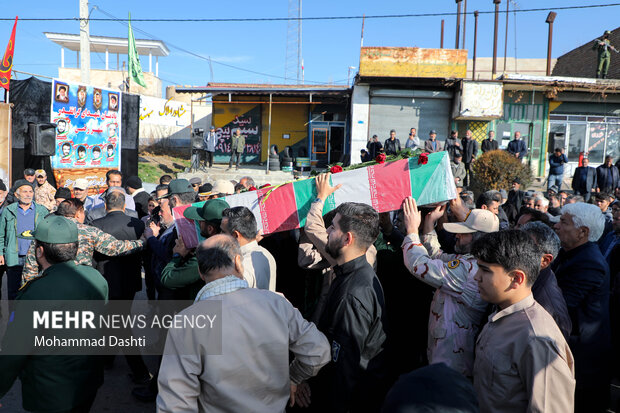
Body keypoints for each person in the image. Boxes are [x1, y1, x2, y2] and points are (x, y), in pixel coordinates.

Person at [157, 234, 330, 413]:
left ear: (201, 273)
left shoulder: (187, 322)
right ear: (239, 262)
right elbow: (319, 351)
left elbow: (175, 403)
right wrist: (292, 377)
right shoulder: (276, 303)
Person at [0, 216, 108, 413]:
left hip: (50, 390)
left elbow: (14, 351)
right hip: (88, 381)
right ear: (75, 247)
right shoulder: (95, 277)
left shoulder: (35, 292)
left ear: (39, 251)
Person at [300, 174, 388, 412]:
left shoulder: (352, 295)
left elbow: (345, 369)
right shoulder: (352, 273)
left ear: (348, 238)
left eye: (333, 227)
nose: (327, 231)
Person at [472, 230, 575, 413]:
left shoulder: (537, 338)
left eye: (485, 270)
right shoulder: (501, 313)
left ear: (516, 278)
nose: (476, 277)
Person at [401, 198, 498, 377]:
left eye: (464, 233)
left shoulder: (468, 270)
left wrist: (412, 230)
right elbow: (437, 257)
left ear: (478, 239)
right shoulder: (471, 262)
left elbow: (419, 265)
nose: (457, 235)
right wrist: (429, 224)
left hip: (452, 361)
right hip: (448, 353)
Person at [552, 202, 611, 412]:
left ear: (582, 232)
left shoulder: (589, 263)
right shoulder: (571, 254)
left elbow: (559, 306)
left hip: (583, 361)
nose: (557, 226)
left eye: (563, 222)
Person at [91, 190, 150, 383]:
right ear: (124, 206)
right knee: (117, 320)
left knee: (117, 323)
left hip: (104, 280)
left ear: (106, 206)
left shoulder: (96, 225)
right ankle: (108, 359)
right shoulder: (139, 224)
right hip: (130, 280)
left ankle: (139, 370)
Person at [21, 198, 146, 285]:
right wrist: (143, 242)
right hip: (81, 282)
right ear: (78, 213)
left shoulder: (44, 230)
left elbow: (30, 266)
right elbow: (115, 247)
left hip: (49, 283)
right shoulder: (89, 231)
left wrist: (27, 290)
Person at [160, 198, 230, 300]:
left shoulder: (205, 257)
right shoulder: (233, 247)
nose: (197, 224)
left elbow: (167, 279)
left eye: (200, 222)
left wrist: (177, 255)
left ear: (210, 229)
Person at [521, 221, 572, 339]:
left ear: (545, 261)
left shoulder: (548, 307)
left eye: (524, 248)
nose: (515, 250)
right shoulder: (528, 281)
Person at [0, 180, 48, 301]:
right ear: (16, 195)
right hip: (14, 257)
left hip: (35, 258)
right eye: (25, 191)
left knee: (34, 292)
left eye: (30, 191)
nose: (28, 194)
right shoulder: (8, 210)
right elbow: (1, 234)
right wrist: (0, 253)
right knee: (13, 293)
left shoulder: (42, 211)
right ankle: (14, 319)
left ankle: (31, 318)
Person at [221, 206, 277, 291]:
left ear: (236, 235)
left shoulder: (242, 266)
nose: (220, 236)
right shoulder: (265, 253)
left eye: (223, 232)